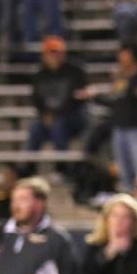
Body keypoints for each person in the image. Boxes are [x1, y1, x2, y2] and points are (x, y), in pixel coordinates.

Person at [96, 42, 137, 191]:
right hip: (120, 126)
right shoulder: (119, 78)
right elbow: (113, 99)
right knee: (123, 169)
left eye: (126, 53)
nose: (121, 56)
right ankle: (127, 198)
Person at [26, 36, 88, 174]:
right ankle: (29, 168)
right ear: (45, 55)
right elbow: (36, 100)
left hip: (72, 117)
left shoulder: (75, 71)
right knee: (35, 129)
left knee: (58, 125)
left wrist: (56, 115)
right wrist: (45, 115)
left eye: (60, 53)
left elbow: (79, 98)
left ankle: (62, 167)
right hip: (47, 117)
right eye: (53, 53)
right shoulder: (39, 75)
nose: (57, 56)